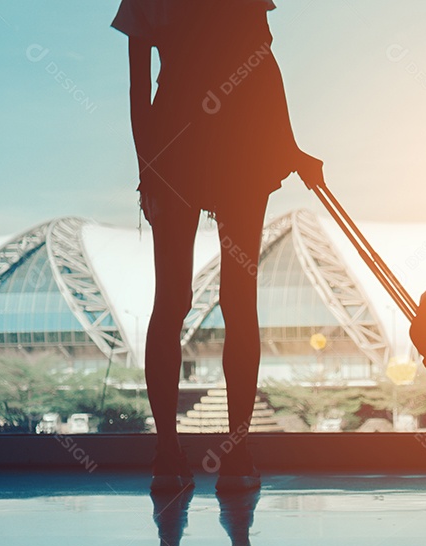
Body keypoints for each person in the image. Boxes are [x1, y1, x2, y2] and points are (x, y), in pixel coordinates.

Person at [113, 0, 323, 492]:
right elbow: (265, 68)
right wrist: (288, 146)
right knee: (238, 300)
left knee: (172, 303)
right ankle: (238, 451)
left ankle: (167, 452)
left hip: (176, 147)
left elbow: (138, 87)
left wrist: (149, 171)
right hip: (240, 151)